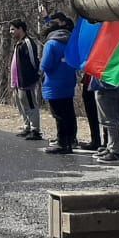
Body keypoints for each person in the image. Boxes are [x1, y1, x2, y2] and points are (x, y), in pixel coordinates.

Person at [40, 17, 77, 154]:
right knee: (68, 113)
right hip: (68, 82)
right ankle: (69, 140)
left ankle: (61, 142)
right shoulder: (70, 41)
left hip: (54, 84)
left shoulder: (51, 44)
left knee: (58, 115)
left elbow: (46, 65)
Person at [8, 19, 43, 141]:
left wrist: (34, 76)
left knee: (30, 105)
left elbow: (34, 61)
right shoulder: (18, 43)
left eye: (13, 29)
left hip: (26, 81)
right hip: (17, 82)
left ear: (20, 29)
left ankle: (35, 130)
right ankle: (26, 126)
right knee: (21, 104)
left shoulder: (28, 42)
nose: (10, 32)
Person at [77, 75, 103, 152]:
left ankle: (103, 142)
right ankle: (95, 140)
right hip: (89, 82)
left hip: (96, 83)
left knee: (101, 116)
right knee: (92, 115)